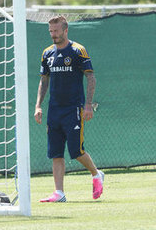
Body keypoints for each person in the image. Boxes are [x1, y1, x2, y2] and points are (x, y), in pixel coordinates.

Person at [34, 16, 104, 202]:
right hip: (54, 110)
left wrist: (87, 105)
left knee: (76, 151)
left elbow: (90, 77)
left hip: (74, 108)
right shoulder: (47, 53)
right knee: (56, 152)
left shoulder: (78, 51)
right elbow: (44, 80)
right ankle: (59, 193)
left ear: (66, 30)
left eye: (56, 31)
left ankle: (96, 174)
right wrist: (38, 105)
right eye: (50, 31)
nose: (53, 35)